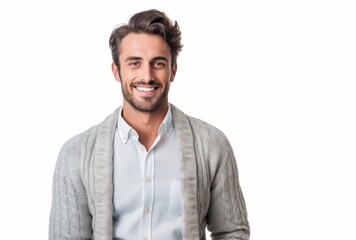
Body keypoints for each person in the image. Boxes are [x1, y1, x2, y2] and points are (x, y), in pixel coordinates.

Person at [49, 9, 250, 240]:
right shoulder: (75, 155)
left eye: (158, 63)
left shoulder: (211, 146)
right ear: (117, 71)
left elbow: (232, 231)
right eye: (134, 63)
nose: (147, 75)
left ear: (173, 71)